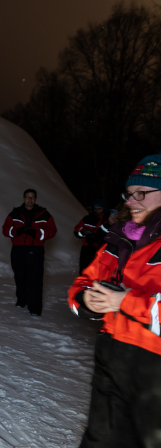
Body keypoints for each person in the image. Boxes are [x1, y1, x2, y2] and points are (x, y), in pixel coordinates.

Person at [68, 154, 161, 446]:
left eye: (141, 194)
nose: (131, 202)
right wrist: (86, 300)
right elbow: (82, 283)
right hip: (112, 356)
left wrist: (125, 302)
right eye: (129, 194)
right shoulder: (119, 240)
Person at [1, 189, 57, 316]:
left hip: (36, 249)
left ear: (35, 199)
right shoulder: (15, 213)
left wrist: (37, 234)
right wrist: (16, 231)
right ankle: (22, 300)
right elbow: (5, 230)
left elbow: (52, 231)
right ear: (23, 198)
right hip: (18, 249)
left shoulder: (44, 214)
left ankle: (34, 308)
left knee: (35, 278)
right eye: (27, 197)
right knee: (20, 276)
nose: (29, 200)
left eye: (32, 197)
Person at [74, 199, 116, 273]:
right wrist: (83, 232)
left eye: (100, 209)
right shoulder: (87, 219)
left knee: (99, 271)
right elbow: (77, 232)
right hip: (86, 249)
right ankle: (84, 284)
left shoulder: (108, 220)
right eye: (95, 208)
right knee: (84, 270)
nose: (97, 211)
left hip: (101, 249)